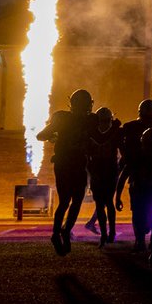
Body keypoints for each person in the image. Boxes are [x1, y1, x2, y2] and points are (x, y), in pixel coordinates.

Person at [37, 89, 96, 255]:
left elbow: (42, 135)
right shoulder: (90, 120)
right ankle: (63, 231)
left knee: (66, 201)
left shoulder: (62, 118)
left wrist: (55, 135)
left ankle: (58, 232)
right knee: (75, 200)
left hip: (66, 164)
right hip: (75, 164)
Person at [115, 127, 152, 263]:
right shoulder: (137, 158)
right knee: (142, 222)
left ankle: (151, 249)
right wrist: (118, 196)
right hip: (141, 194)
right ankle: (141, 241)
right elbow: (123, 176)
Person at [86, 107, 121, 247]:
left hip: (105, 170)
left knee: (104, 203)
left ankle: (108, 233)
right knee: (104, 204)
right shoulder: (113, 132)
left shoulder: (91, 133)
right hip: (103, 170)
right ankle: (108, 233)